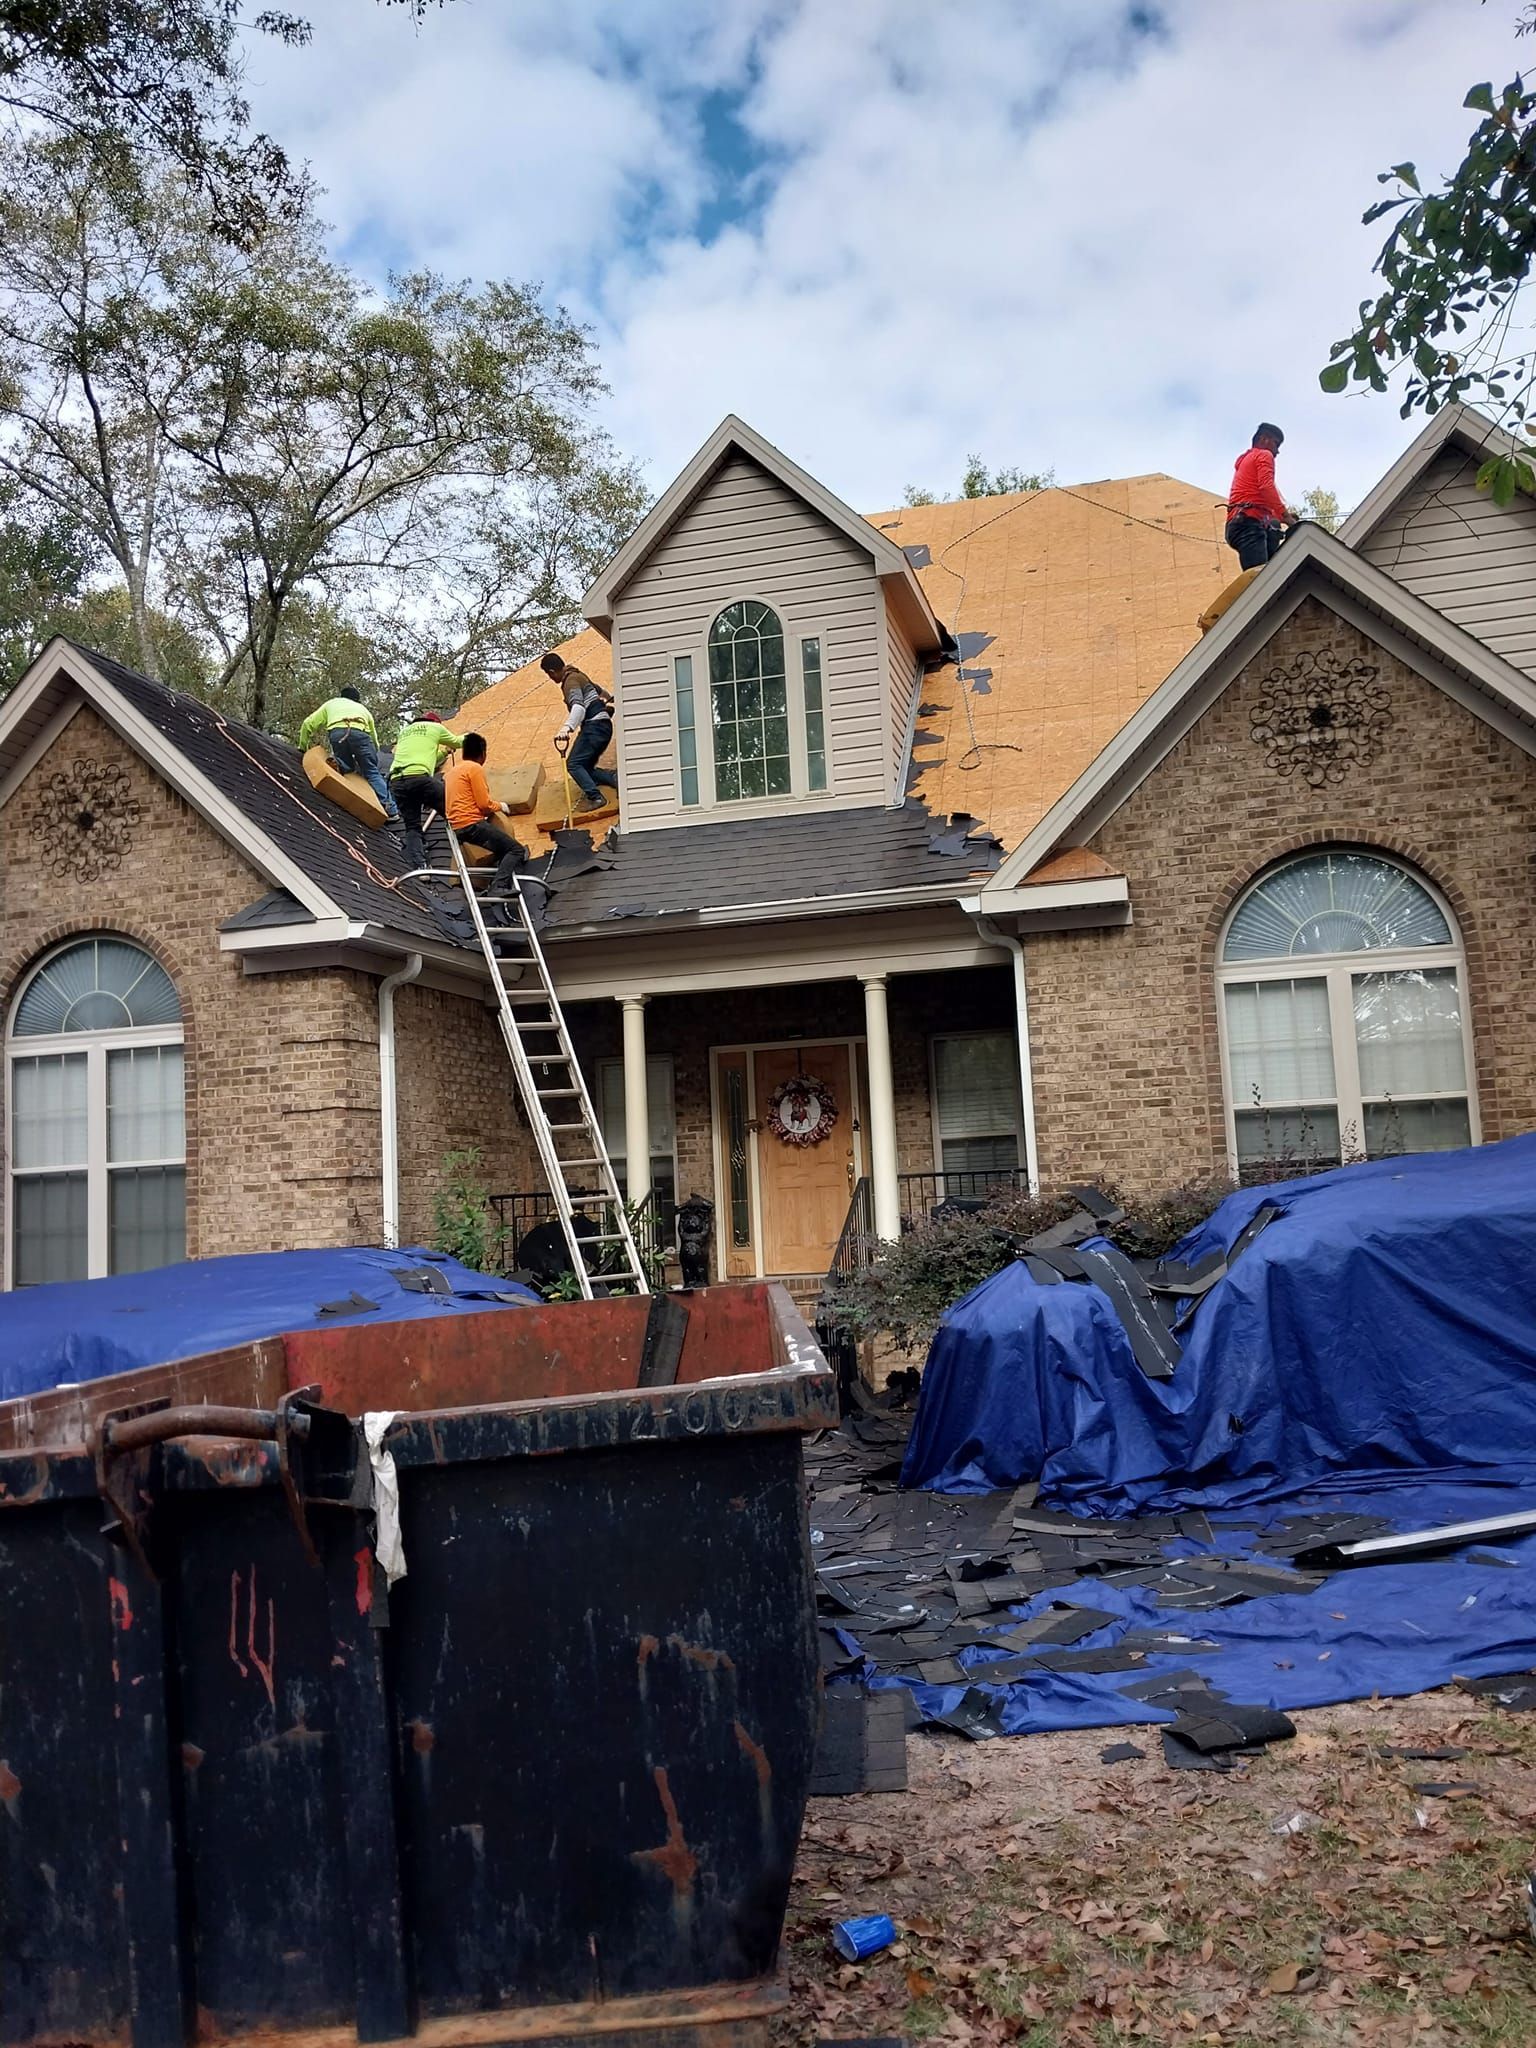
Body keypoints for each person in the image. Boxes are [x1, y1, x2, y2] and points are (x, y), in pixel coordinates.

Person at [442, 732, 532, 927]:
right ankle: (498, 886)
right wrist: (501, 806)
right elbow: (483, 804)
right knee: (515, 849)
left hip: (457, 826)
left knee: (501, 847)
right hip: (471, 825)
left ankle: (498, 875)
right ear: (482, 753)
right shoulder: (474, 769)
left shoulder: (452, 772)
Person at [297, 685, 399, 821]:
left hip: (338, 732)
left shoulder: (332, 703)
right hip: (361, 735)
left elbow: (307, 724)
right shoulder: (363, 709)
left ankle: (339, 763)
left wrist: (302, 747)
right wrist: (372, 758)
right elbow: (374, 740)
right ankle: (391, 811)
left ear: (341, 696)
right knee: (371, 772)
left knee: (347, 768)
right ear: (357, 700)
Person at [387, 711, 465, 871]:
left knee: (412, 826)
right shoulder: (435, 728)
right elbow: (457, 742)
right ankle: (475, 845)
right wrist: (472, 736)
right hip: (419, 779)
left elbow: (423, 755)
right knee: (454, 809)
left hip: (397, 781)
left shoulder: (405, 732)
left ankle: (420, 867)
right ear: (437, 723)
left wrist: (443, 752)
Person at [542, 650, 617, 813]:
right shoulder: (578, 674)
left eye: (549, 676)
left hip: (595, 727)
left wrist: (566, 728)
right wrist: (610, 697)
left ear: (552, 672)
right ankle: (612, 778)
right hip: (604, 726)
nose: (551, 678)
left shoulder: (570, 681)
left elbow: (578, 707)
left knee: (574, 764)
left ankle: (596, 797)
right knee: (585, 768)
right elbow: (597, 689)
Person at [1225, 423, 1291, 570]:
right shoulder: (1264, 455)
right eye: (1276, 443)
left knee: (1268, 572)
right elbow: (1266, 487)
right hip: (1248, 524)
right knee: (1262, 581)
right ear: (1264, 439)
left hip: (1241, 523)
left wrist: (1279, 516)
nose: (1277, 451)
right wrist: (1285, 516)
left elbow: (1256, 496)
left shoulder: (1248, 459)